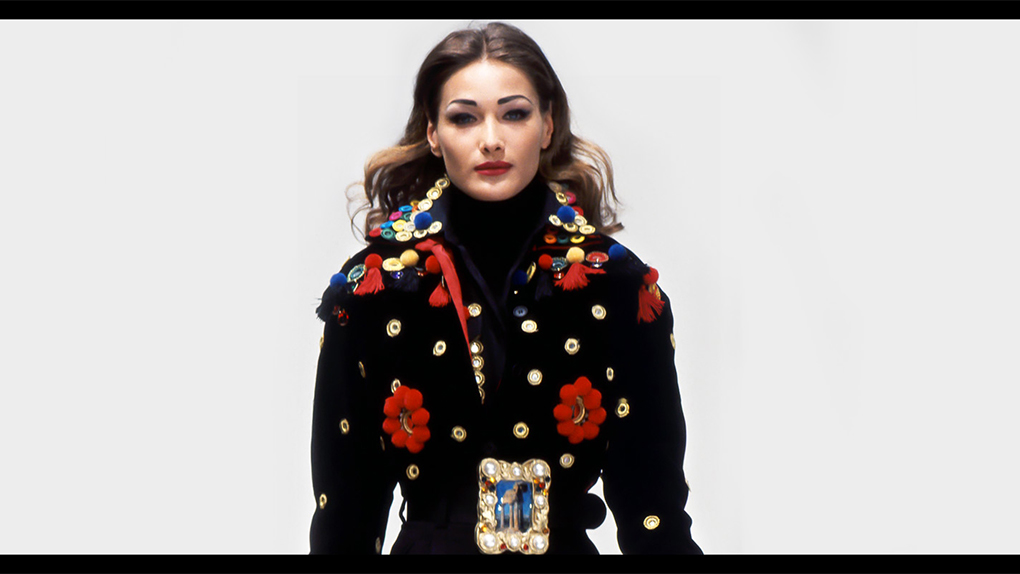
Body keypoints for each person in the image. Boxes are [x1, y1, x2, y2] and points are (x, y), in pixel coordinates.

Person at [309, 21, 702, 555]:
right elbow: (344, 516)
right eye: (464, 117)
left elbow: (654, 509)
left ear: (548, 125)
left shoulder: (615, 285)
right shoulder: (375, 288)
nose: (491, 139)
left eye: (514, 113)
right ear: (432, 132)